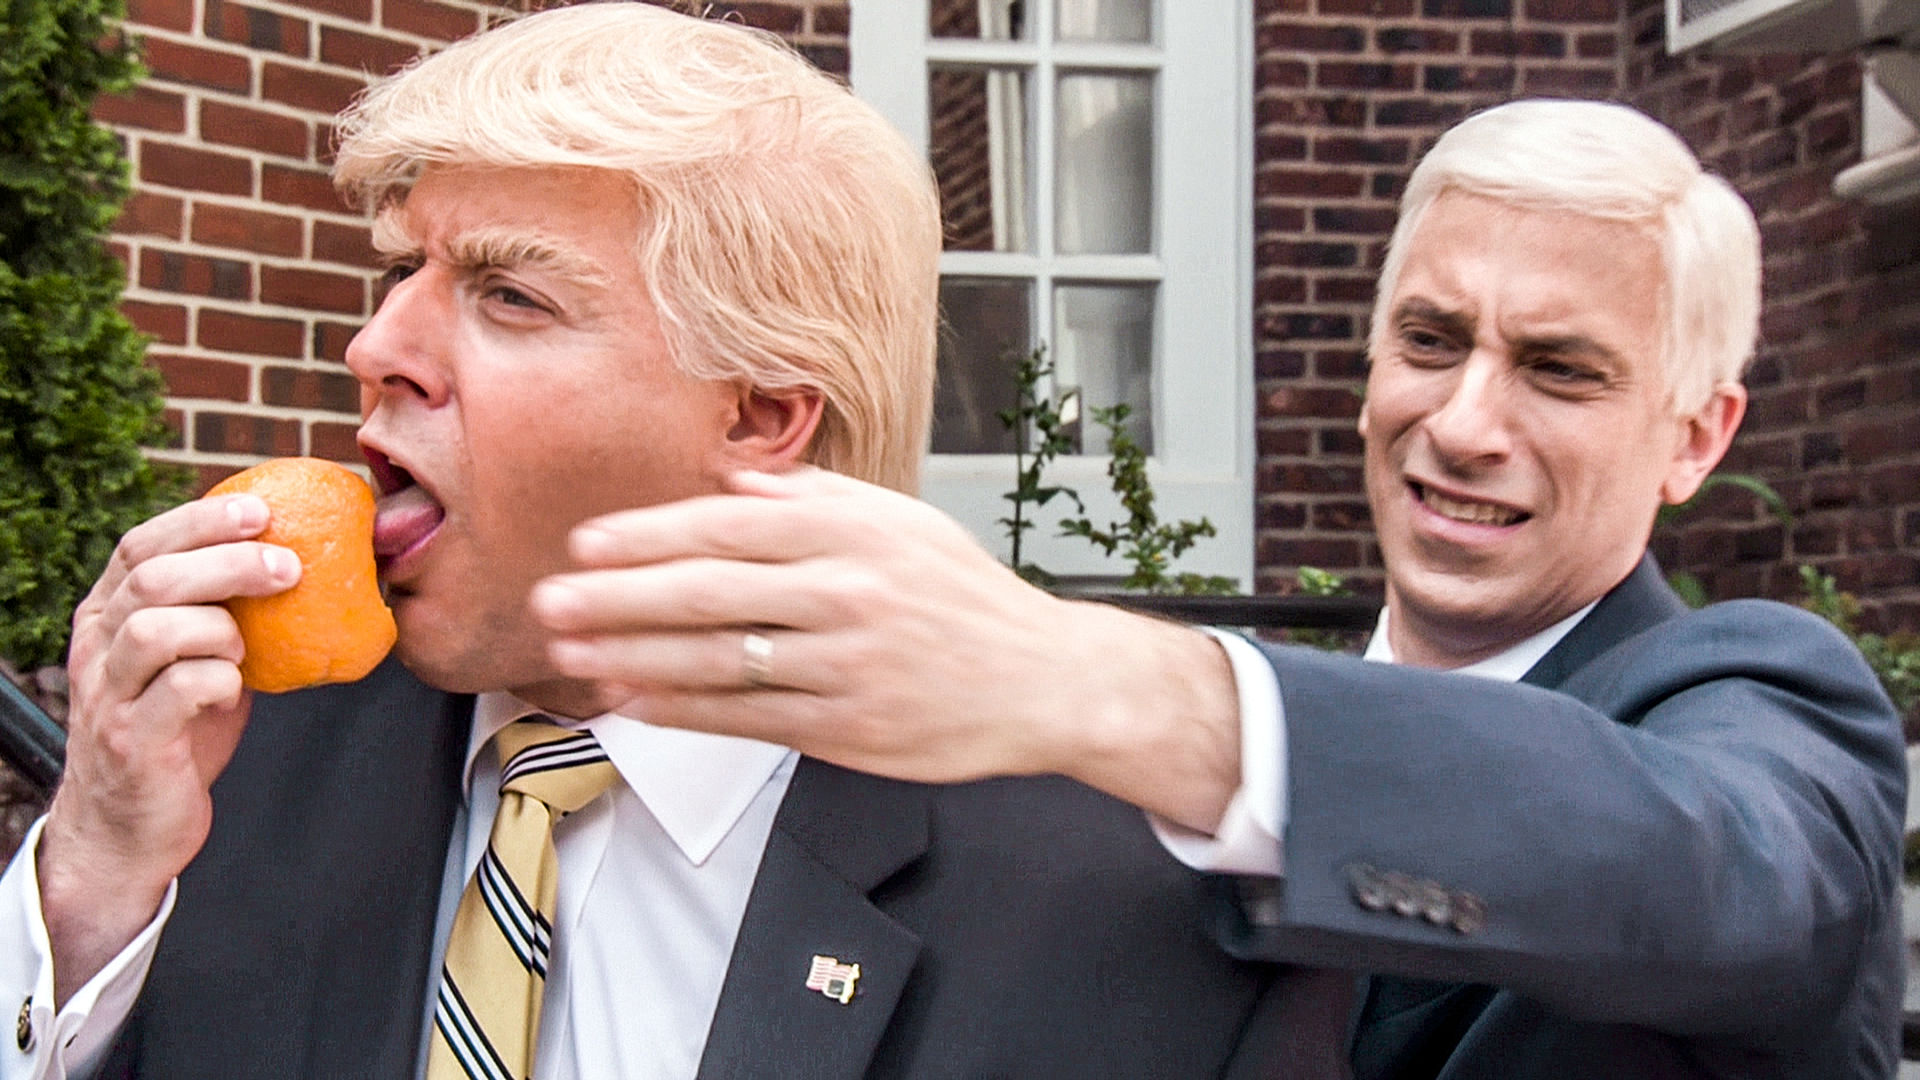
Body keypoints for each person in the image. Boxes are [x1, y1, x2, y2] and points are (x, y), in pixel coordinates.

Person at [0, 7, 1331, 1079]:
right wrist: (92, 878)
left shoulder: (1103, 909)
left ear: (758, 417)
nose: (375, 346)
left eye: (509, 295)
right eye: (399, 274)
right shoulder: (230, 756)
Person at [523, 100, 1909, 1078]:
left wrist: (1100, 684)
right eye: (1430, 341)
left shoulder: (1765, 712)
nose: (1465, 422)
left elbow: (1715, 870)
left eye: (1560, 369)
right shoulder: (1164, 794)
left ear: (1696, 435)